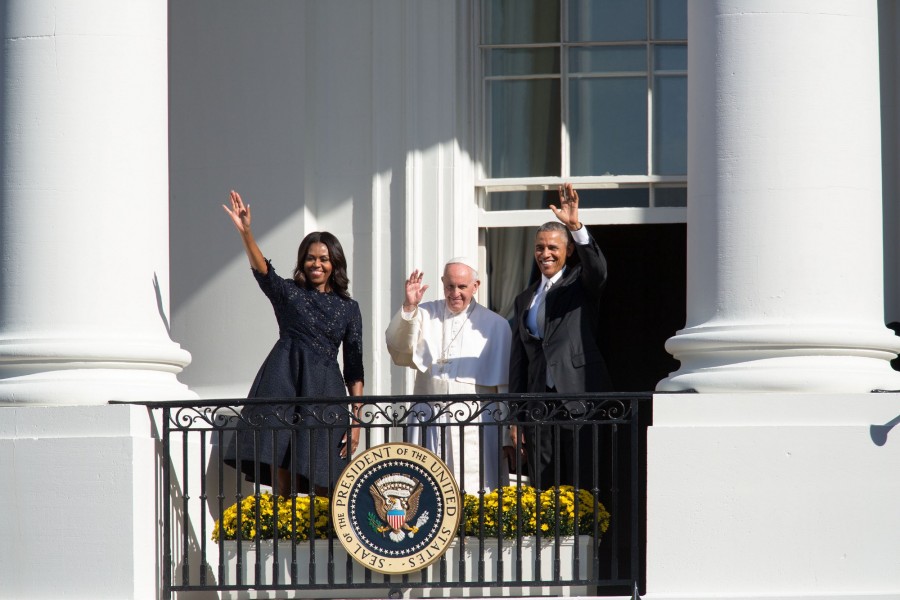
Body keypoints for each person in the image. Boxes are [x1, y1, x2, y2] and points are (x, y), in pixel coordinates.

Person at [221, 190, 364, 496]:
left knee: (328, 472)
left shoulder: (348, 308)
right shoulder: (289, 294)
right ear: (303, 261)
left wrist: (356, 420)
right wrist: (247, 233)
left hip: (325, 390)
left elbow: (354, 367)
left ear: (334, 264)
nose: (317, 264)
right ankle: (282, 526)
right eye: (311, 258)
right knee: (280, 459)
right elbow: (264, 272)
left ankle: (324, 537)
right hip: (284, 381)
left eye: (324, 259)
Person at [509, 183, 613, 489]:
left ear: (567, 251)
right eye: (540, 247)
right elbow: (520, 364)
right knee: (543, 480)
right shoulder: (525, 297)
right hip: (540, 402)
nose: (545, 254)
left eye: (553, 247)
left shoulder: (580, 282)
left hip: (579, 396)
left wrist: (576, 227)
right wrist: (516, 418)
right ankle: (547, 537)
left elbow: (599, 271)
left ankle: (587, 537)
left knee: (584, 477)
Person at [385, 258, 512, 492]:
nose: (455, 293)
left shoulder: (496, 326)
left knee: (476, 489)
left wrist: (506, 436)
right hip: (429, 420)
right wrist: (409, 306)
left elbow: (503, 389)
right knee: (426, 492)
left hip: (476, 425)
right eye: (449, 286)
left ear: (476, 286)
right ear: (443, 283)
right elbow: (397, 348)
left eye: (462, 287)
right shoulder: (425, 313)